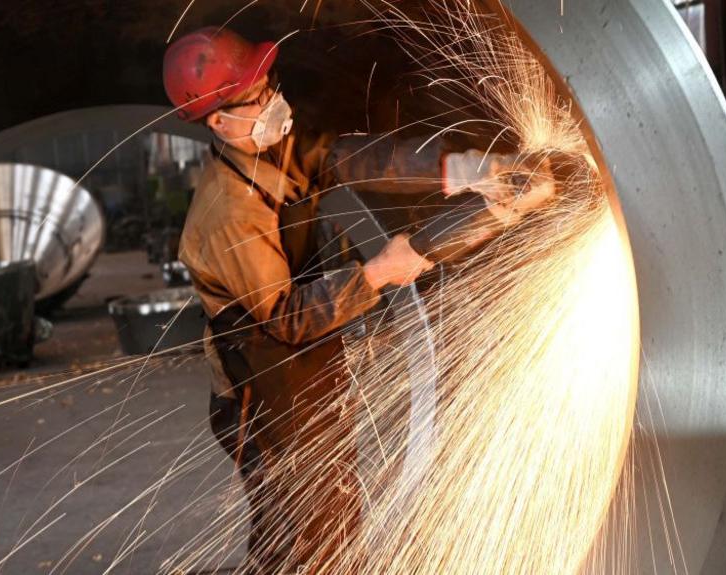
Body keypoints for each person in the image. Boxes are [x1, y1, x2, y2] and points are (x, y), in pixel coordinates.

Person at [163, 26, 545, 573]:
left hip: (307, 378)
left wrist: (470, 172)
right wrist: (377, 273)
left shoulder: (278, 151)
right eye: (256, 98)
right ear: (219, 123)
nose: (274, 101)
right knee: (302, 536)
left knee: (335, 520)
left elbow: (360, 159)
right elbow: (288, 319)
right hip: (264, 397)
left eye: (271, 85)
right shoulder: (228, 213)